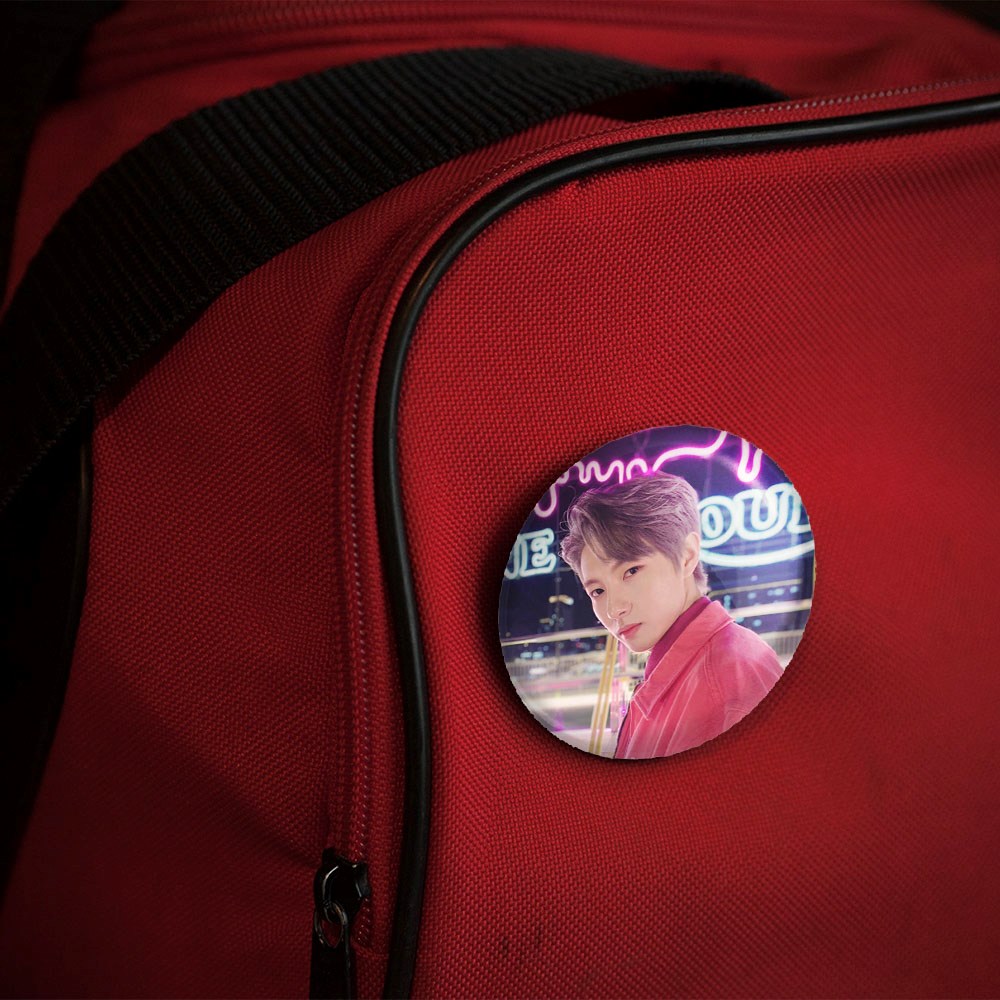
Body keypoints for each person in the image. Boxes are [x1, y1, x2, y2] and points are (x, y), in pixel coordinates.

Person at [560, 472, 782, 759]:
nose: (614, 609)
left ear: (687, 556)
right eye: (598, 591)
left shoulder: (731, 675)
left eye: (631, 571)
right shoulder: (679, 671)